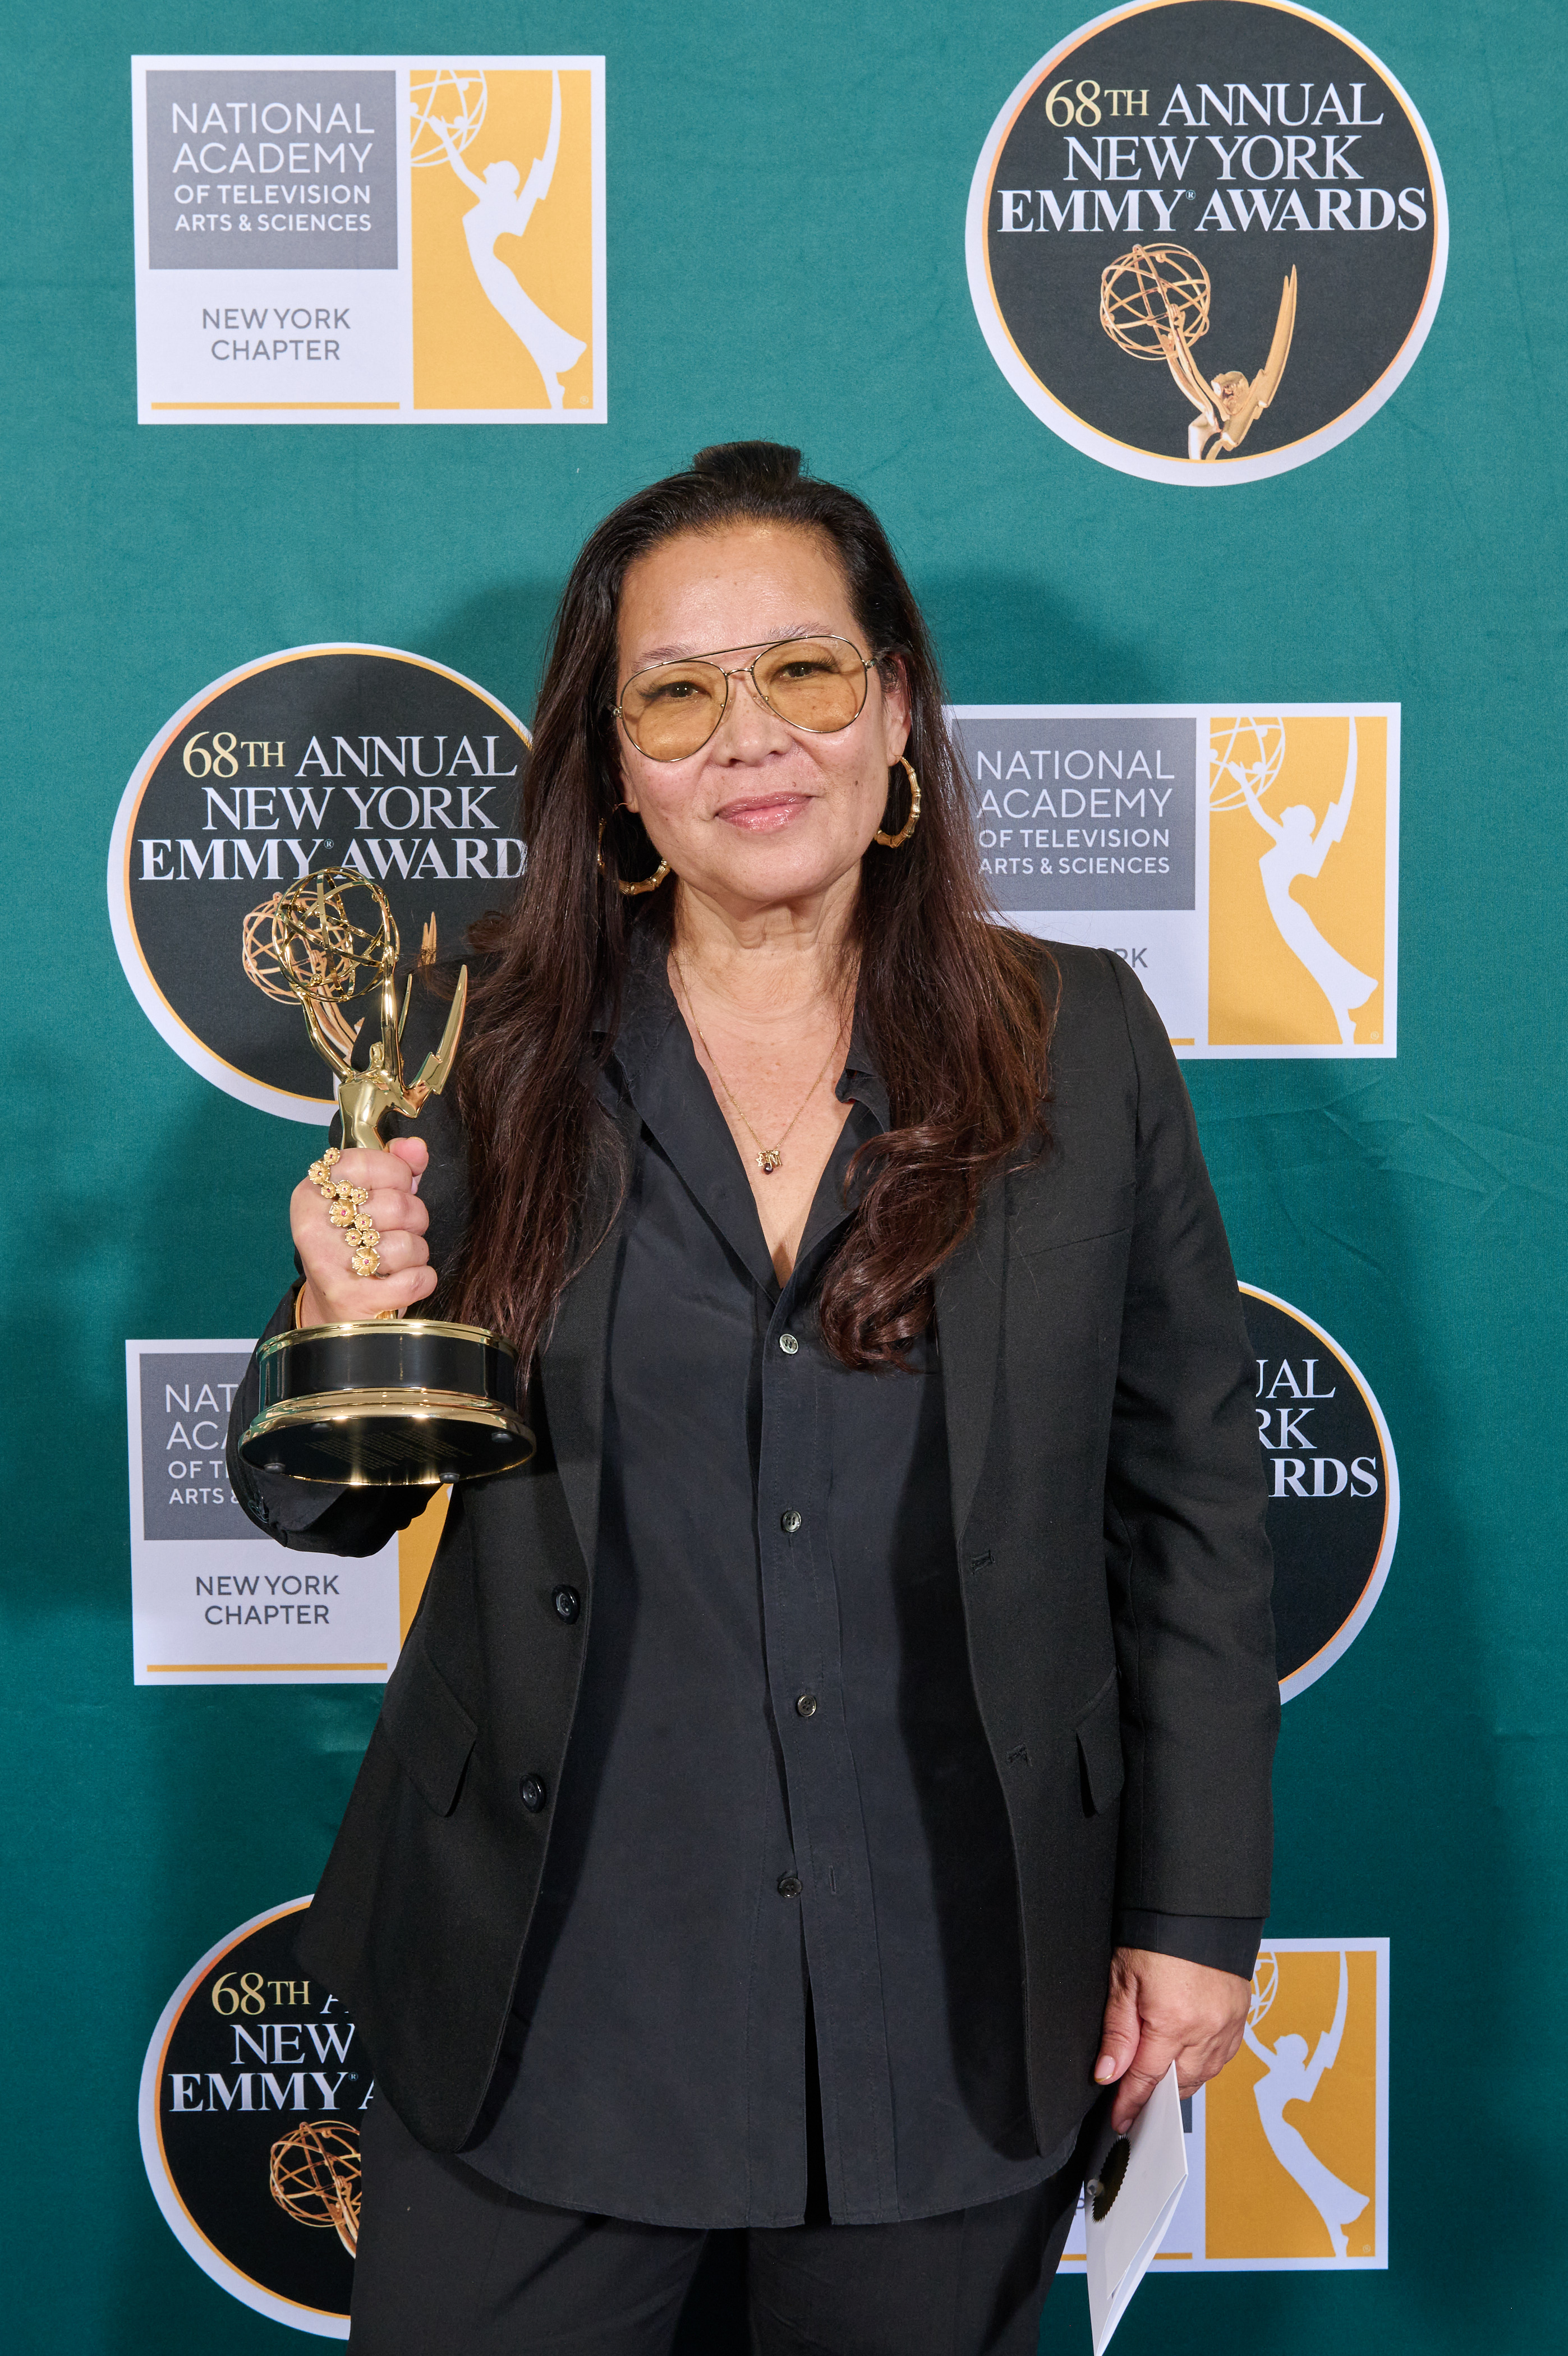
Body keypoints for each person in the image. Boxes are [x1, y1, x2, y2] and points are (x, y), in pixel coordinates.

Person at [228, 441, 1278, 2355]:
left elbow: (1193, 1508)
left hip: (950, 1991)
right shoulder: (480, 1040)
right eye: (677, 695)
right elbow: (317, 1502)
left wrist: (1194, 1914)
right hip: (547, 1985)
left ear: (896, 708)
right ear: (614, 767)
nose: (750, 740)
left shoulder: (1083, 1041)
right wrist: (333, 1307)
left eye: (802, 670)